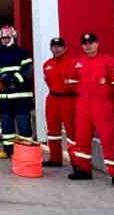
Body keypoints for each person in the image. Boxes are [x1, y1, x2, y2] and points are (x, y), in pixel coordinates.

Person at [68, 32, 114, 190]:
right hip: (83, 106)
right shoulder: (77, 62)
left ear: (97, 43)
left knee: (108, 140)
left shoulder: (108, 60)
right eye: (85, 43)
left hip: (102, 107)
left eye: (91, 42)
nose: (88, 46)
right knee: (81, 138)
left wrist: (106, 96)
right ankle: (83, 170)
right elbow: (71, 82)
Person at [0, 25, 33, 159]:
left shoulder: (22, 52)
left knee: (23, 125)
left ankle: (26, 152)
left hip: (21, 97)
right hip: (4, 97)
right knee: (6, 125)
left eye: (7, 37)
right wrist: (2, 78)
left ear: (13, 37)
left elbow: (27, 70)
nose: (5, 40)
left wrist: (14, 79)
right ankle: (8, 150)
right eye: (2, 38)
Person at [42, 37, 76, 167]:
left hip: (69, 99)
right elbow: (48, 81)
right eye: (54, 46)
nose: (57, 49)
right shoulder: (47, 64)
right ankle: (55, 159)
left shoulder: (73, 63)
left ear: (65, 48)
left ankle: (76, 162)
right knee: (53, 131)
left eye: (59, 46)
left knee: (71, 132)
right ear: (51, 48)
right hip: (52, 99)